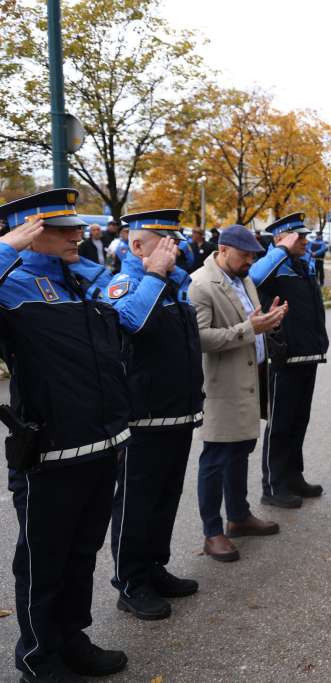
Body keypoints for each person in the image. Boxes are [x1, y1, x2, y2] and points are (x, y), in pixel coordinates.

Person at [0, 189, 133, 681]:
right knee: (43, 560)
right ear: (29, 232)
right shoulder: (12, 283)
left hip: (101, 444)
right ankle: (38, 655)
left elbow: (129, 314)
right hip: (50, 450)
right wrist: (6, 247)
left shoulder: (80, 280)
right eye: (63, 229)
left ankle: (72, 638)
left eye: (78, 226)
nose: (79, 234)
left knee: (81, 554)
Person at [101, 210, 205, 621]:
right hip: (142, 418)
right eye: (163, 243)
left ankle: (154, 567)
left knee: (165, 497)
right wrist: (156, 275)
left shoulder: (173, 284)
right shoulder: (126, 284)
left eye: (174, 243)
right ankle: (131, 582)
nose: (172, 250)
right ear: (137, 246)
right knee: (136, 504)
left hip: (176, 411)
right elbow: (131, 323)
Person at [189, 225, 287, 561]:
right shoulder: (201, 284)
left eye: (253, 256)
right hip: (222, 385)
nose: (250, 261)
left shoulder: (242, 278)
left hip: (249, 378)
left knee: (240, 450)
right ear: (223, 249)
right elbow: (199, 338)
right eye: (244, 255)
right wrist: (251, 329)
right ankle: (212, 531)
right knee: (216, 458)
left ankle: (239, 515)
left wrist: (269, 321)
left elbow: (252, 322)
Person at [250, 213, 328, 508]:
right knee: (280, 423)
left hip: (307, 353)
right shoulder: (273, 264)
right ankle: (273, 485)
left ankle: (293, 476)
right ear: (283, 238)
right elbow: (254, 277)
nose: (305, 241)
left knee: (299, 420)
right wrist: (281, 249)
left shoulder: (300, 265)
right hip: (283, 357)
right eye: (300, 237)